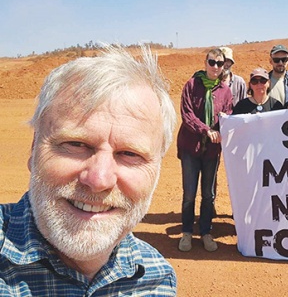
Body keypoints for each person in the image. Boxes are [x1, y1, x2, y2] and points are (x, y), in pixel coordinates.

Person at [0, 45, 177, 295]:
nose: (98, 179)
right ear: (33, 150)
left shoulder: (155, 280)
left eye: (130, 154)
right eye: (76, 144)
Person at [177, 48, 233, 252]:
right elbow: (187, 114)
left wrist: (218, 131)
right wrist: (206, 129)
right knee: (189, 193)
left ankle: (206, 232)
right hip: (191, 148)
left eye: (220, 63)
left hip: (212, 151)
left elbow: (227, 115)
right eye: (212, 62)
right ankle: (186, 232)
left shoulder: (225, 91)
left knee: (209, 194)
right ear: (205, 62)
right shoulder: (192, 85)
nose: (215, 67)